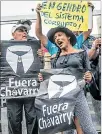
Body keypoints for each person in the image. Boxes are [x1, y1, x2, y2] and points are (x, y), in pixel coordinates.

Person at [45, 26, 97, 134]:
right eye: (55, 37)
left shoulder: (81, 53)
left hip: (78, 94)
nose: (57, 38)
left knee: (88, 129)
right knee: (67, 130)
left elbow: (88, 71)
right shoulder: (54, 57)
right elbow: (51, 77)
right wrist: (43, 77)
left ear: (68, 37)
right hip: (62, 96)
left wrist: (89, 76)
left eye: (59, 35)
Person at [6, 24, 40, 134]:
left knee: (33, 118)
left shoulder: (35, 48)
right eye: (20, 30)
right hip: (12, 91)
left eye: (25, 30)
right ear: (13, 34)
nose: (24, 32)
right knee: (14, 120)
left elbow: (43, 67)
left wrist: (41, 56)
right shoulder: (4, 48)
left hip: (31, 89)